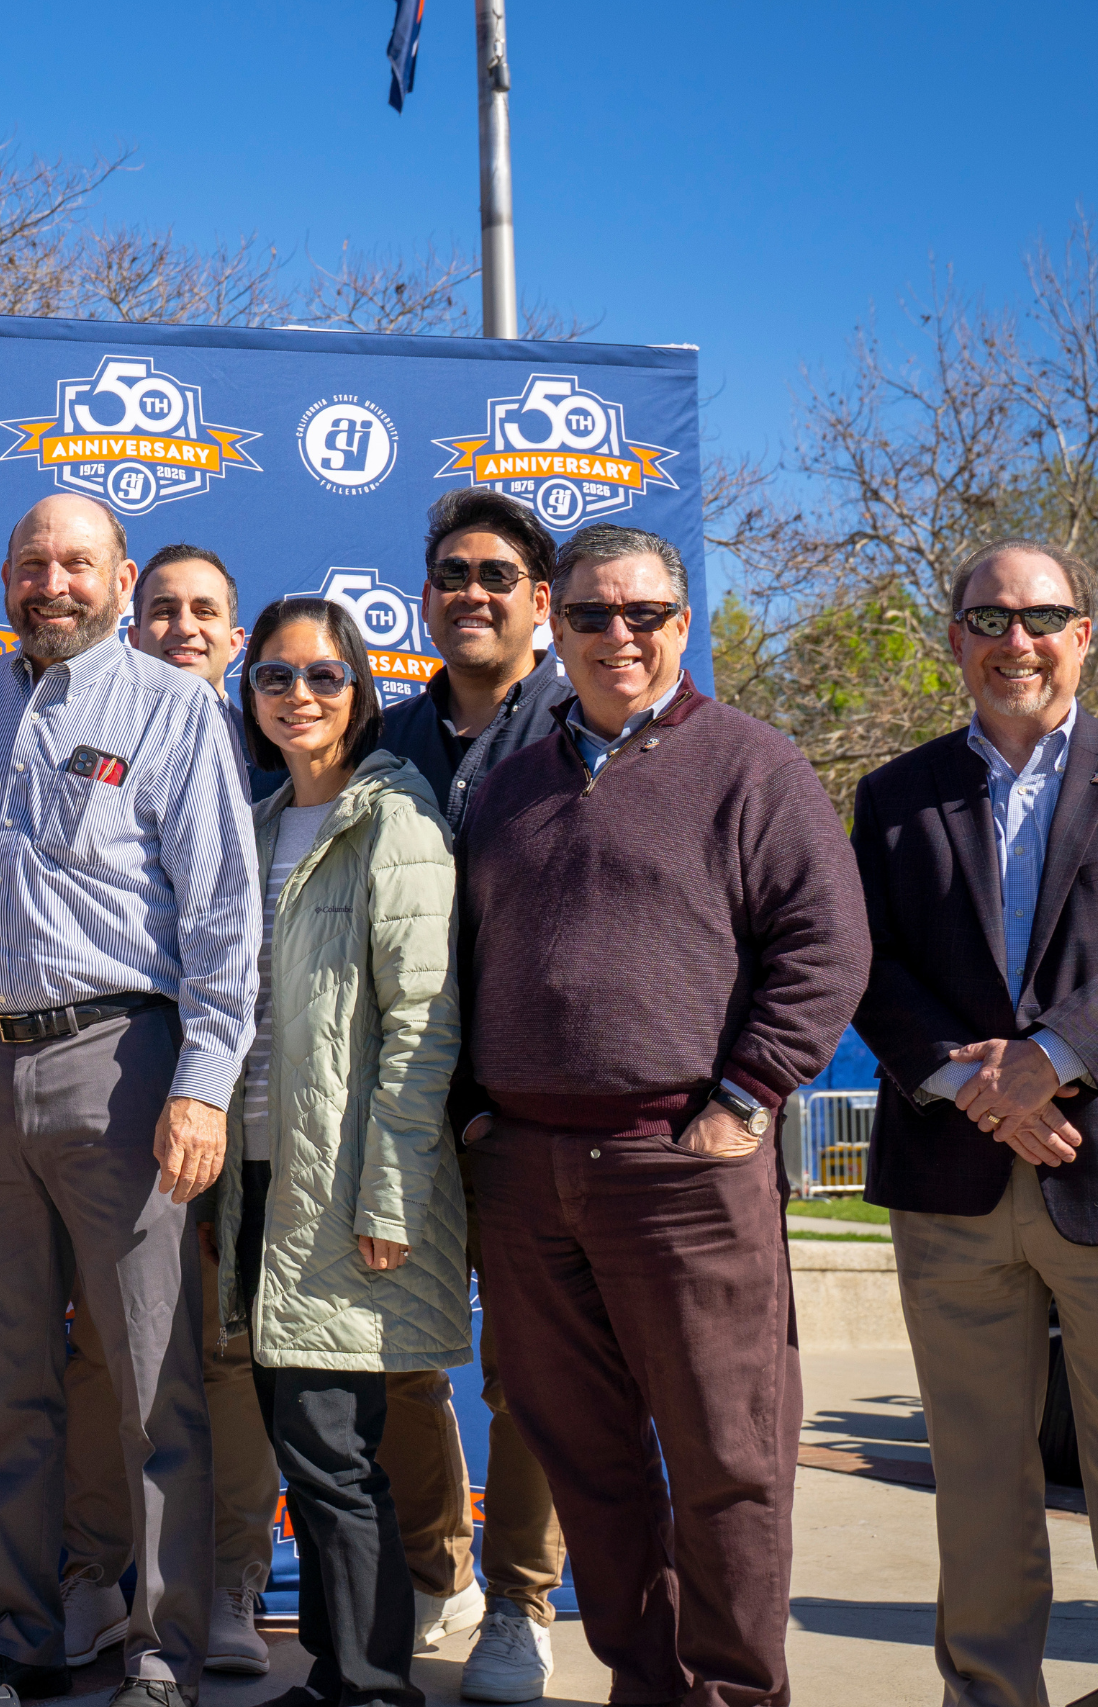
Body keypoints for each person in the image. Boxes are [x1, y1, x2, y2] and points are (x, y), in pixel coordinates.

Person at [453, 524, 870, 1707]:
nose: (617, 636)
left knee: (728, 1465)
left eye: (642, 614)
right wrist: (482, 1118)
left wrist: (744, 1100)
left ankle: (736, 1692)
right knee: (586, 1466)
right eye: (590, 615)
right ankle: (645, 1684)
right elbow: (468, 961)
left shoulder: (752, 765)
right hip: (527, 1176)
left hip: (684, 1167)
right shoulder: (510, 782)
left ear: (683, 625)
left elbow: (826, 947)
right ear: (555, 626)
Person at [0, 493, 258, 1707]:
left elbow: (225, 915)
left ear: (122, 579)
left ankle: (161, 1645)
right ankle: (18, 1634)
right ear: (3, 576)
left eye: (77, 562)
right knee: (6, 1380)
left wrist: (205, 1086)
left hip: (121, 1065)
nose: (51, 581)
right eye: (30, 562)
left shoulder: (175, 709)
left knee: (147, 1377)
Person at [851, 539, 1098, 1707]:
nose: (1013, 641)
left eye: (1040, 617)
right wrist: (971, 1084)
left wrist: (1051, 1059)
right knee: (979, 1488)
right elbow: (862, 967)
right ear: (954, 641)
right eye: (987, 619)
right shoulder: (891, 795)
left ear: (1084, 635)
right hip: (952, 1184)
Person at [218, 594, 464, 1707]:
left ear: (360, 692)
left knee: (330, 1452)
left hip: (343, 1181)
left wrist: (390, 1192)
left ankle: (372, 1686)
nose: (299, 697)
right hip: (255, 1177)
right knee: (304, 1449)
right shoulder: (262, 823)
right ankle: (333, 1673)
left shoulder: (393, 823)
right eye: (276, 677)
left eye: (323, 677)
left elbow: (423, 1025)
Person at [60, 540, 278, 1680]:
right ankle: (101, 1578)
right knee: (112, 1346)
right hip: (144, 1084)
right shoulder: (103, 735)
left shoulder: (291, 753)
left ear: (234, 638)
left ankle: (229, 1580)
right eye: (162, 610)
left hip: (258, 1104)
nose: (184, 626)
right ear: (130, 625)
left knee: (226, 1353)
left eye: (207, 612)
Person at [373, 488, 570, 1700]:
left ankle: (520, 1601)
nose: (473, 595)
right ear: (427, 597)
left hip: (537, 1108)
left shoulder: (580, 730)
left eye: (498, 576)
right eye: (452, 575)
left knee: (529, 1369)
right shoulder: (383, 738)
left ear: (539, 602)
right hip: (404, 1105)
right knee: (394, 1358)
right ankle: (435, 1568)